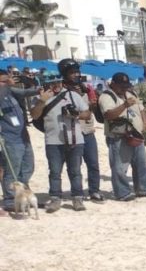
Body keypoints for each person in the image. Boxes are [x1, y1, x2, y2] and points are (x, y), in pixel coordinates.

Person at [32, 60, 92, 213]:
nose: (56, 85)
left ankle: (77, 198)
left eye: (58, 82)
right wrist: (42, 101)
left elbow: (87, 114)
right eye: (52, 83)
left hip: (75, 139)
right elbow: (34, 115)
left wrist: (75, 114)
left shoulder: (72, 95)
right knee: (54, 172)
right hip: (53, 141)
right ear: (46, 83)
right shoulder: (40, 97)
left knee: (75, 171)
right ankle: (55, 198)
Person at [99, 72, 146, 200]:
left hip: (136, 134)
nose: (124, 89)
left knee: (142, 164)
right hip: (119, 137)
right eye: (121, 86)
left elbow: (141, 109)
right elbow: (108, 115)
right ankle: (122, 193)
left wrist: (145, 123)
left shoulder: (131, 93)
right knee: (120, 166)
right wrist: (124, 105)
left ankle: (143, 189)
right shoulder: (106, 96)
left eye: (126, 86)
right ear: (113, 84)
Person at [0, 69, 38, 212]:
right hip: (10, 139)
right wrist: (8, 85)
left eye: (7, 79)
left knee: (28, 167)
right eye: (3, 80)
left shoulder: (10, 92)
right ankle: (11, 200)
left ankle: (22, 196)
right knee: (12, 171)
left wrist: (40, 90)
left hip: (23, 137)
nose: (8, 82)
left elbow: (24, 92)